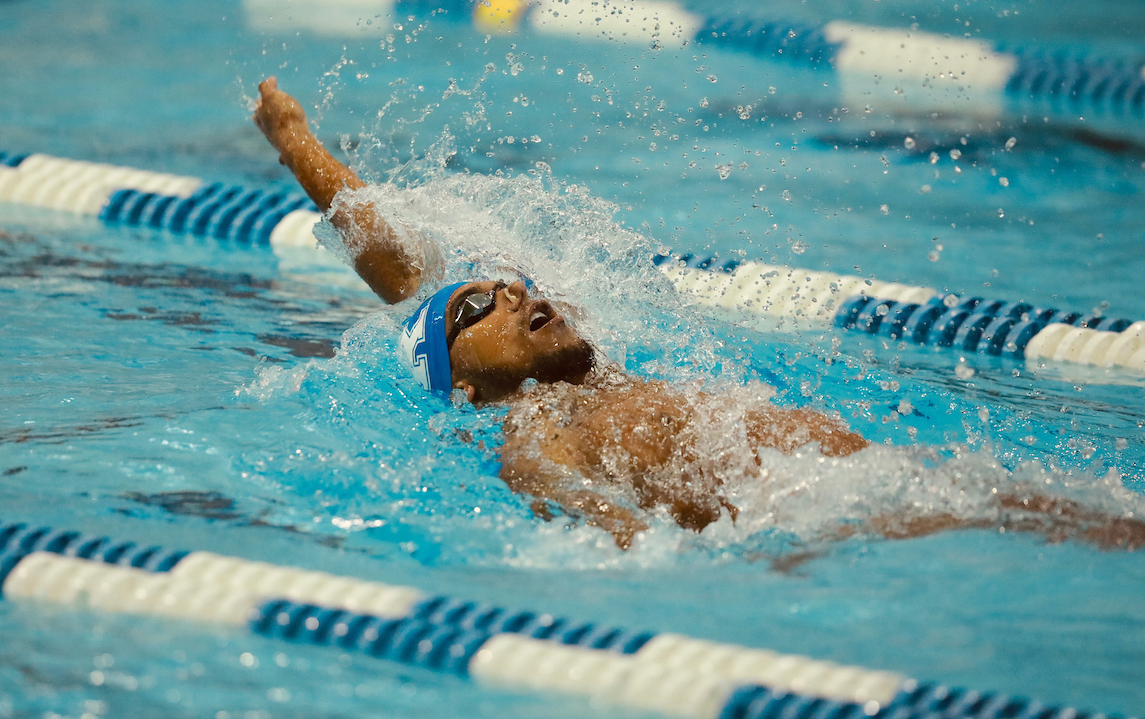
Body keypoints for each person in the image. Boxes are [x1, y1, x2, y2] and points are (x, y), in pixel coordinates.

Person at [252, 77, 1145, 552]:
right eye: (484, 305)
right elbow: (584, 515)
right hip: (831, 515)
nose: (518, 293)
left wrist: (301, 149)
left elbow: (406, 267)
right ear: (464, 383)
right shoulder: (535, 427)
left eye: (516, 284)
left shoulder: (593, 376)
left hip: (866, 478)